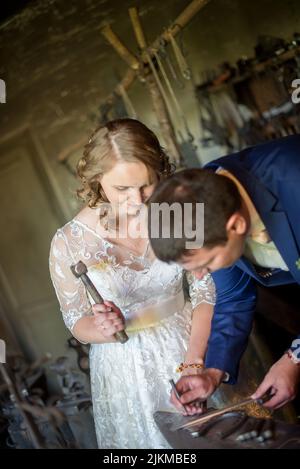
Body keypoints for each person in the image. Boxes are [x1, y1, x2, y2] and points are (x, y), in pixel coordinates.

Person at [49, 118, 219, 449]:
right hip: (127, 369)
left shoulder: (179, 211)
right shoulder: (69, 243)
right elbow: (75, 321)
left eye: (146, 185)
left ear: (160, 170)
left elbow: (205, 289)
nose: (138, 201)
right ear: (97, 180)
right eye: (122, 190)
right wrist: (101, 329)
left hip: (195, 340)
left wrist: (195, 363)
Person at [148, 135, 300, 413]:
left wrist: (295, 358)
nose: (200, 277)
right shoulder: (204, 208)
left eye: (205, 264)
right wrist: (213, 372)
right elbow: (233, 295)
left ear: (237, 224)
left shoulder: (294, 180)